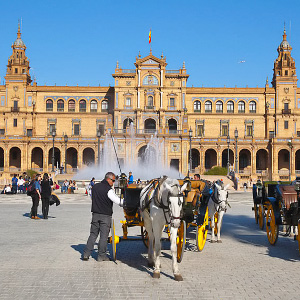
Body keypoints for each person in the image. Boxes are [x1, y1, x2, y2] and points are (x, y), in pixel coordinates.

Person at [83, 172, 123, 261]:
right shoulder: (109, 190)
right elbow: (117, 201)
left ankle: (86, 254)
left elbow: (92, 197)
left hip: (95, 214)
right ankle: (101, 255)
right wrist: (126, 202)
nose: (113, 183)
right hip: (105, 216)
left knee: (93, 235)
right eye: (113, 180)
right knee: (104, 237)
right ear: (108, 179)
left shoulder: (95, 187)